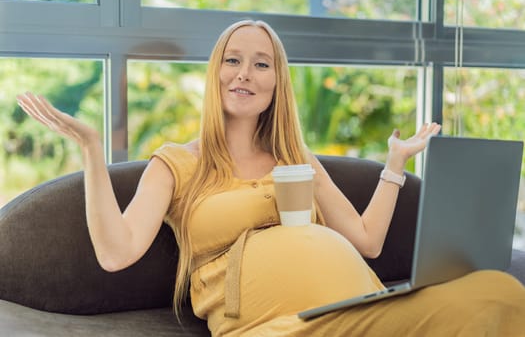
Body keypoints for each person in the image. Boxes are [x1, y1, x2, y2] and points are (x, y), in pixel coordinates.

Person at [16, 19, 525, 336]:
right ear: (216, 71)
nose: (245, 74)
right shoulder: (176, 164)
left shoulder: (297, 157)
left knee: (498, 293)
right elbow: (115, 251)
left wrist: (395, 165)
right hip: (278, 327)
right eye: (233, 60)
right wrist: (91, 148)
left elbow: (368, 242)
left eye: (261, 64)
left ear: (277, 82)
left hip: (361, 311)